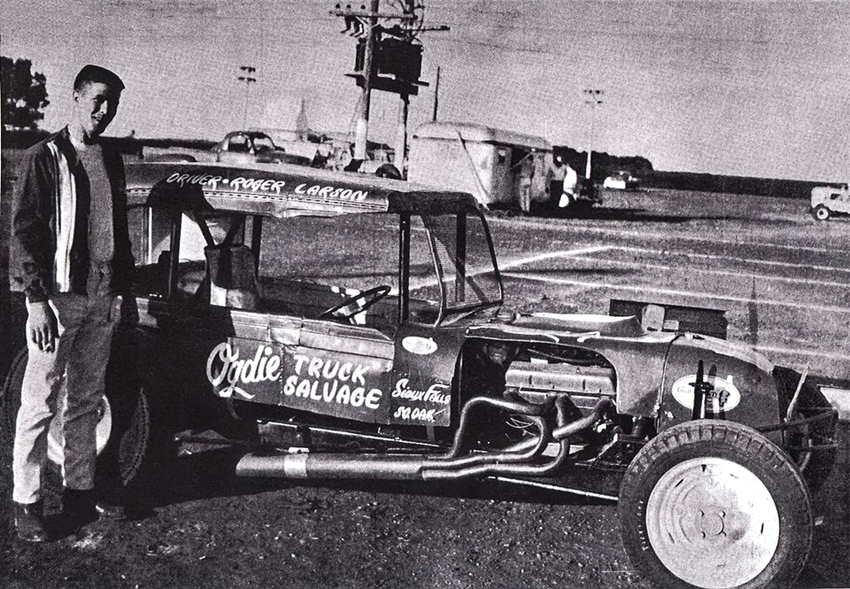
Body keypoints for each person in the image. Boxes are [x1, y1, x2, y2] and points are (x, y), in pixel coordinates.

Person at [9, 64, 135, 541]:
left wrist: (124, 292)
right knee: (39, 401)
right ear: (78, 97)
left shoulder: (111, 159)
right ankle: (26, 501)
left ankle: (80, 489)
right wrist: (35, 301)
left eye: (113, 103)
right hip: (57, 299)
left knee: (85, 400)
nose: (105, 111)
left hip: (101, 293)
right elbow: (24, 232)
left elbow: (119, 232)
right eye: (98, 99)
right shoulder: (44, 157)